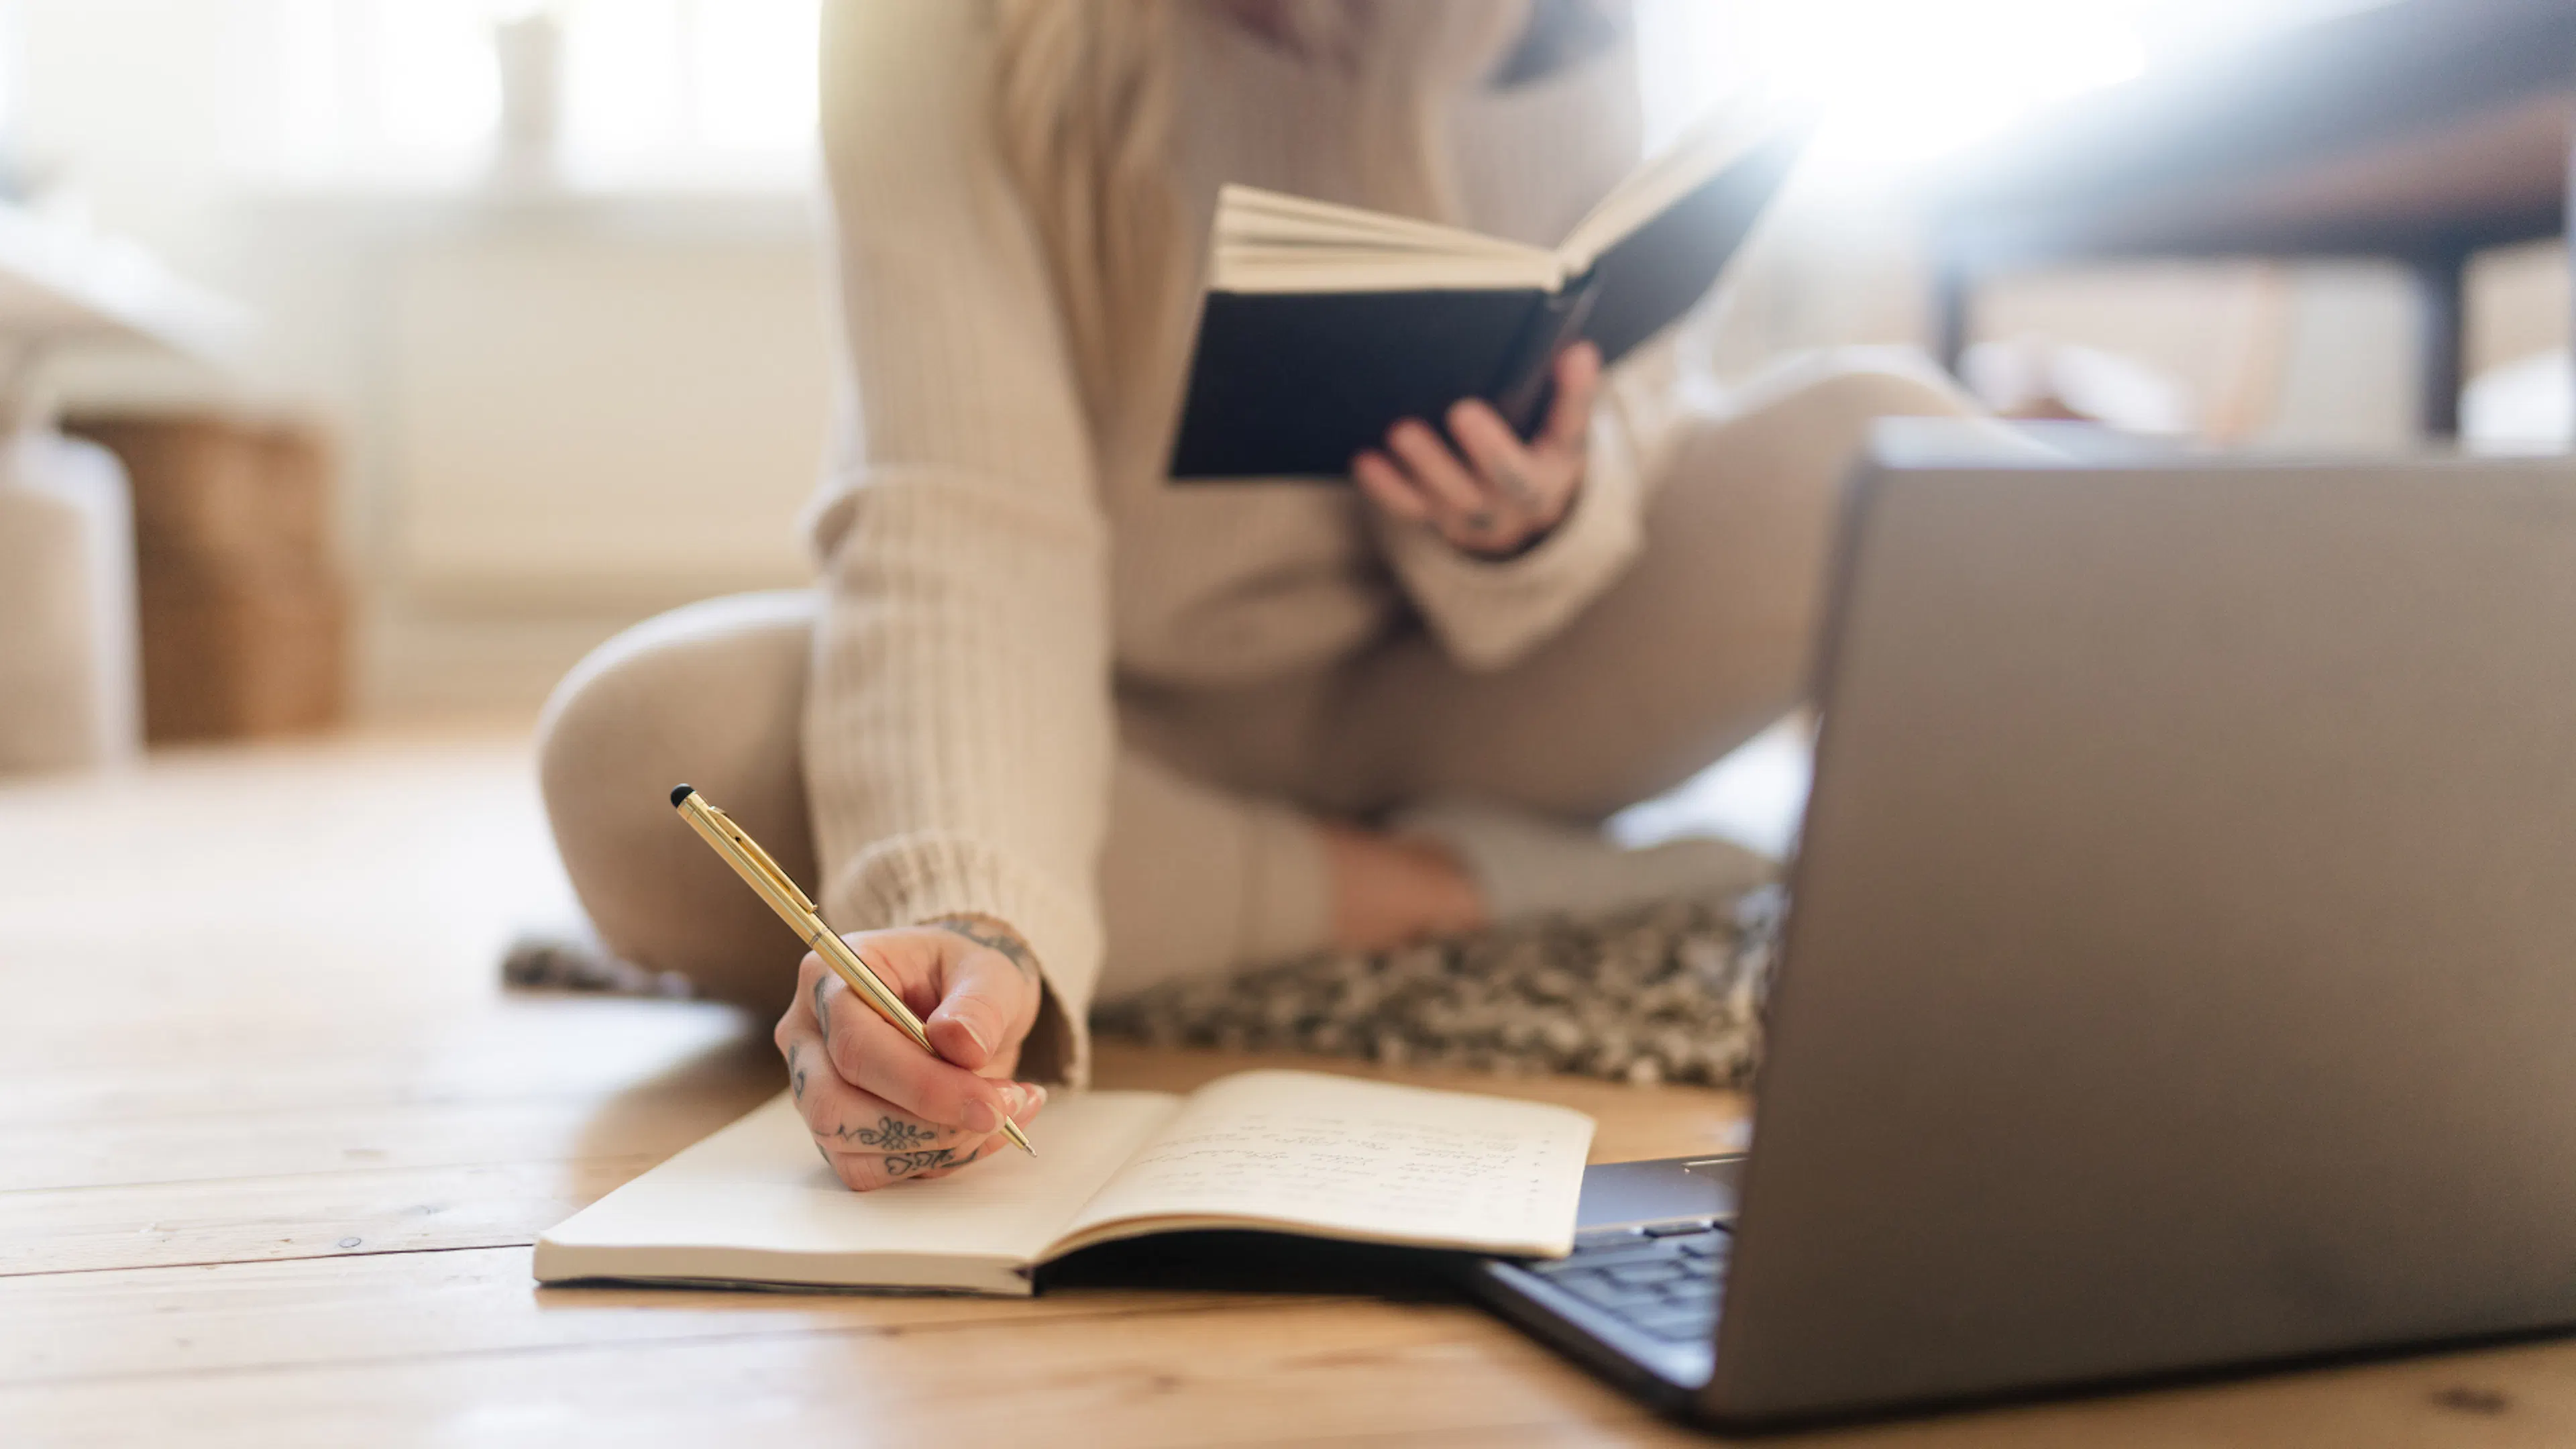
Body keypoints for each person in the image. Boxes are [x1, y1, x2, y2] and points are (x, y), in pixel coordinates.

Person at [537, 0, 1975, 1191]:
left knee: (1894, 447)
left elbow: (1642, 398)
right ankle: (1429, 890)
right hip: (1107, 734)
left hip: (1465, 692)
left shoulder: (1589, 29)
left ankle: (1290, 880)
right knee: (643, 754)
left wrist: (1533, 517)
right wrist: (970, 919)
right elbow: (962, 516)